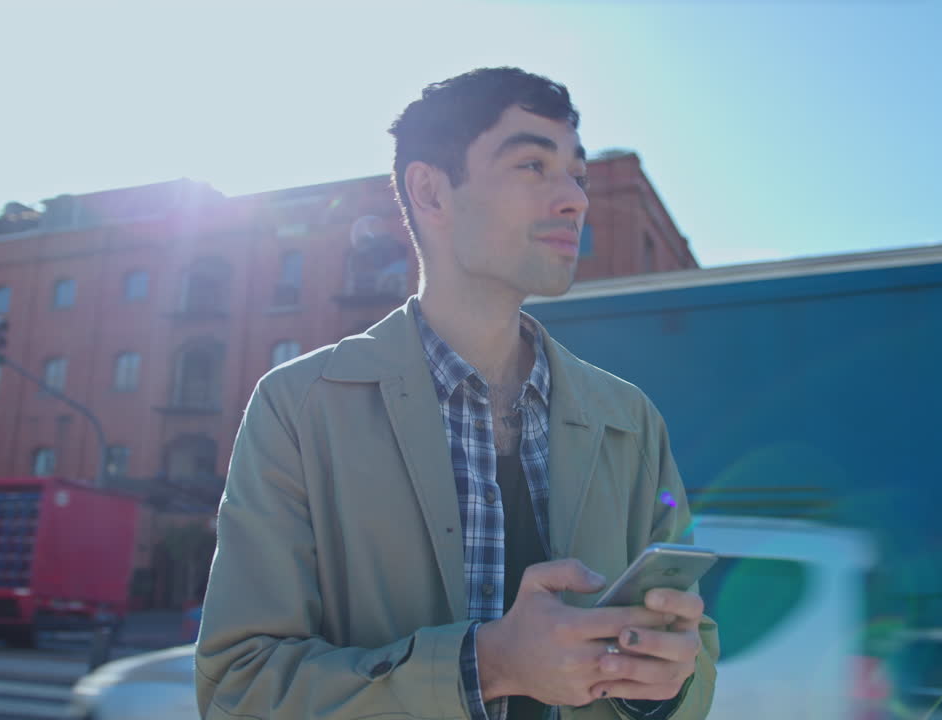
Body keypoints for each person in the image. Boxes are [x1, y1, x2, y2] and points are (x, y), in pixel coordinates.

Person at [195, 67, 718, 720]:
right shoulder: (299, 408)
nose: (575, 199)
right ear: (430, 192)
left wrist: (665, 685)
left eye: (577, 174)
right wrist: (486, 666)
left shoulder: (631, 420)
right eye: (533, 164)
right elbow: (238, 691)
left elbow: (696, 659)